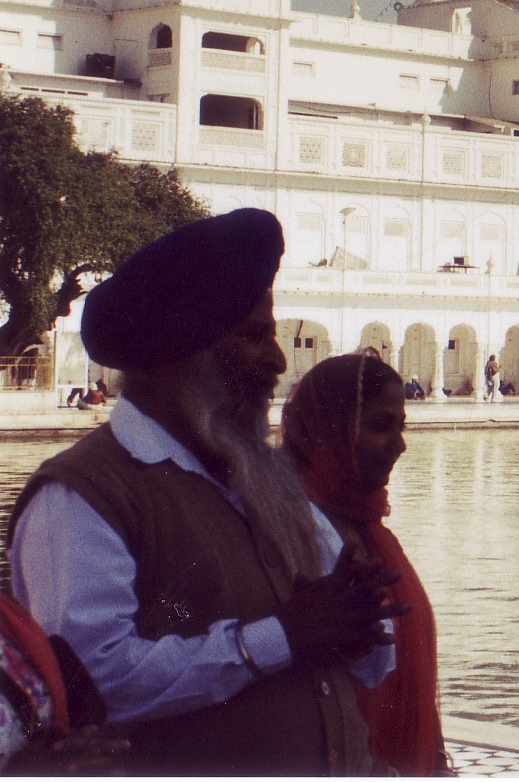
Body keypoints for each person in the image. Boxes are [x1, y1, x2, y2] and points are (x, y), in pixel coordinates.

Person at [9, 208, 402, 775]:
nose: (278, 360)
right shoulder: (83, 497)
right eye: (254, 336)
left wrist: (358, 620)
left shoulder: (263, 478)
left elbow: (365, 655)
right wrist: (282, 637)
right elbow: (93, 681)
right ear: (179, 356)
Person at [283, 352, 447, 776]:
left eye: (401, 427)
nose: (399, 444)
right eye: (379, 426)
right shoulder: (295, 532)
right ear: (329, 429)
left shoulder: (372, 533)